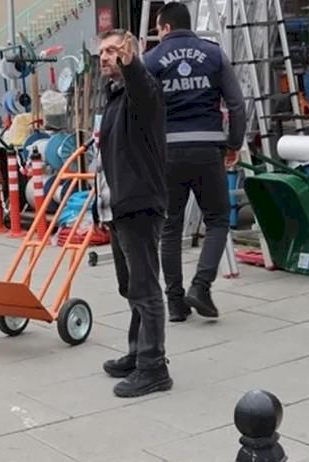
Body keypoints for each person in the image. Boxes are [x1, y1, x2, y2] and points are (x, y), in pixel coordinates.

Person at [143, 2, 245, 321]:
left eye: (158, 30)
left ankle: (175, 303)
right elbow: (237, 105)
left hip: (168, 153)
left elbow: (140, 109)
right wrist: (234, 143)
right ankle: (201, 286)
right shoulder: (214, 54)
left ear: (166, 28)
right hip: (207, 149)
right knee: (217, 220)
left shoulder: (151, 60)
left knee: (170, 226)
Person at [95, 29, 172, 398]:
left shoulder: (144, 92)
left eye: (113, 51)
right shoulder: (113, 99)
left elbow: (141, 86)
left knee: (144, 289)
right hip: (119, 207)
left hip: (139, 205)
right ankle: (137, 352)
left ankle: (154, 367)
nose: (105, 57)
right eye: (103, 52)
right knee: (131, 287)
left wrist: (133, 63)